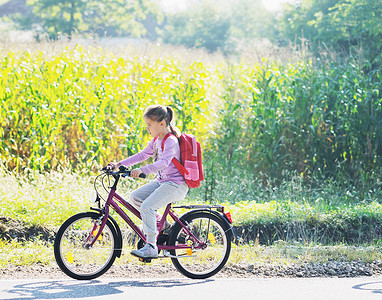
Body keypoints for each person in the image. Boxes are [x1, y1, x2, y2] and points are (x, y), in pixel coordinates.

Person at [108, 105, 189, 259]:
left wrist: (143, 170)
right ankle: (164, 228)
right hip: (162, 182)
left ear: (162, 124)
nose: (147, 128)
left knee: (147, 206)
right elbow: (141, 155)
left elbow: (164, 162)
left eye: (149, 125)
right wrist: (118, 164)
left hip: (175, 185)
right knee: (136, 198)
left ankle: (151, 245)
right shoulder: (156, 140)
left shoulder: (170, 141)